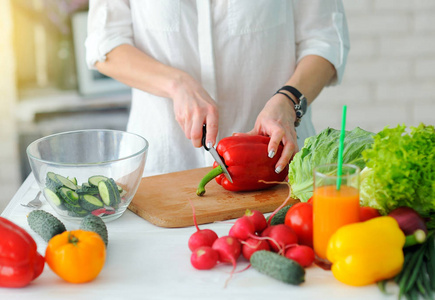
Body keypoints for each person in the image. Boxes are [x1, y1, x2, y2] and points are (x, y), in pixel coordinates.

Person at [85, 0, 350, 177]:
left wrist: (288, 100)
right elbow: (103, 43)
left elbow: (325, 39)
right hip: (161, 169)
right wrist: (175, 84)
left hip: (277, 166)